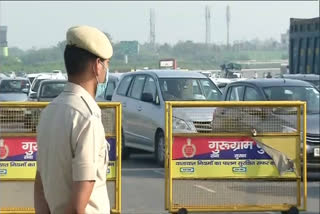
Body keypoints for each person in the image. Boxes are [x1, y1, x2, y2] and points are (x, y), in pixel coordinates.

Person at [34, 25, 113, 214]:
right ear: (97, 66)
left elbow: (40, 183)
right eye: (106, 64)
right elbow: (79, 206)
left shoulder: (50, 112)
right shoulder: (87, 118)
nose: (107, 69)